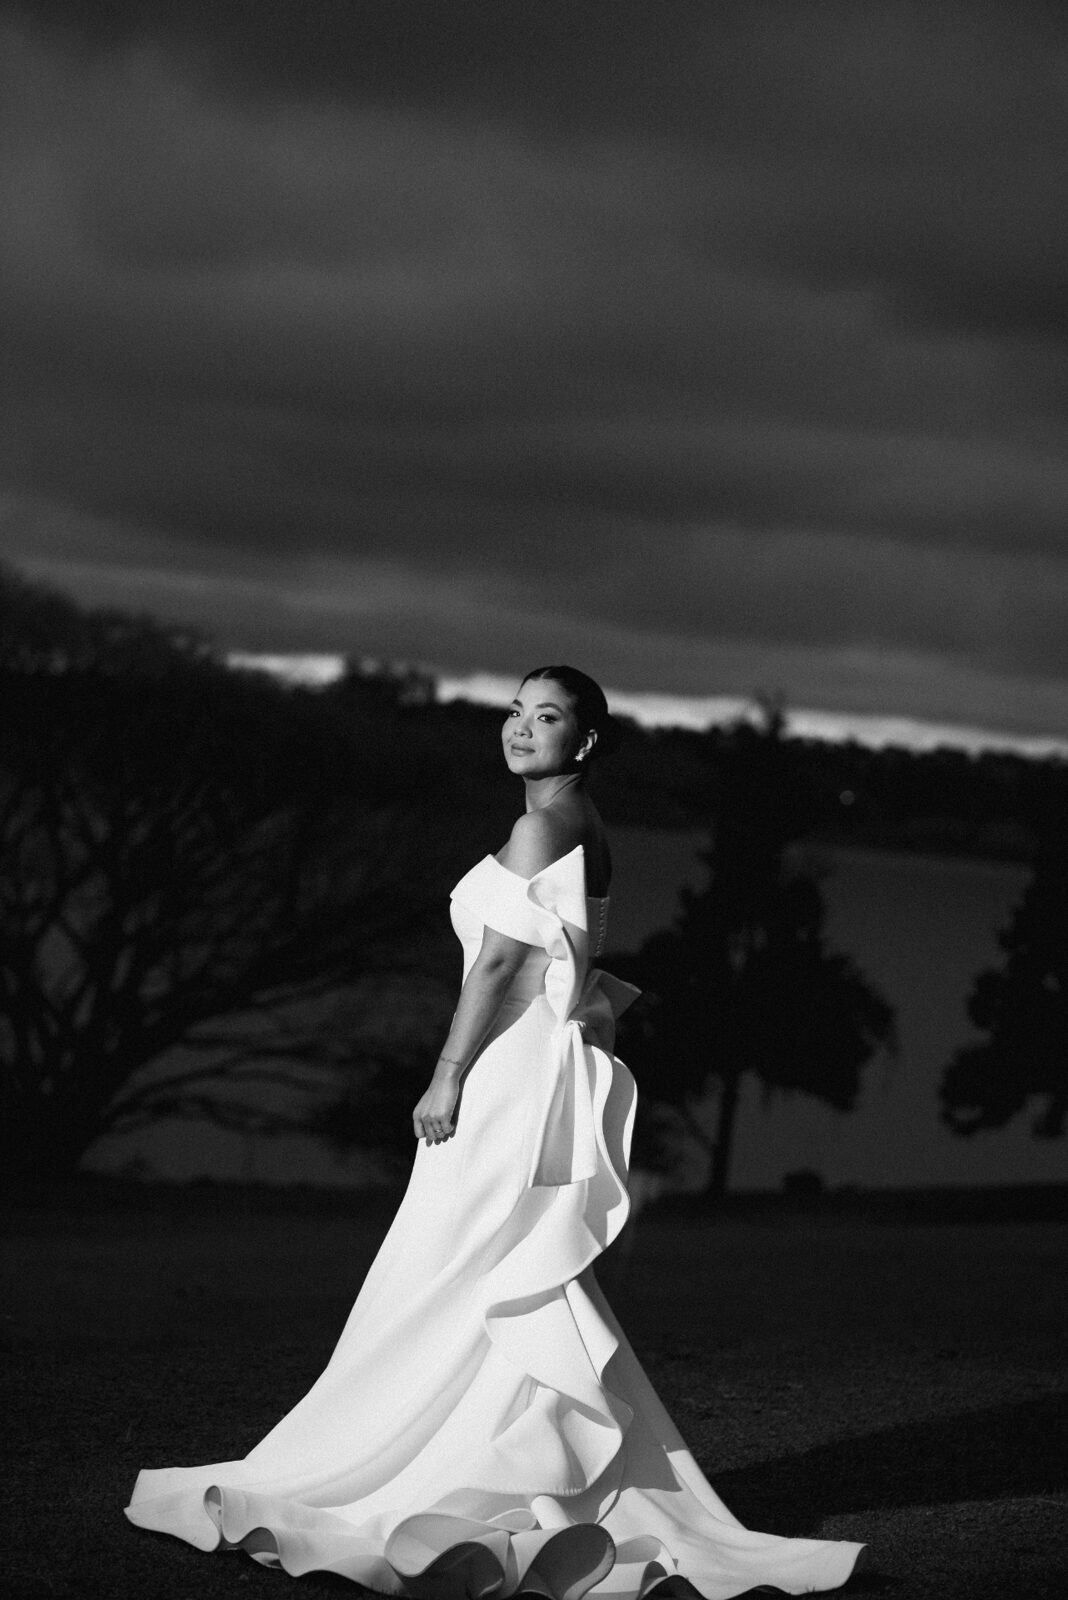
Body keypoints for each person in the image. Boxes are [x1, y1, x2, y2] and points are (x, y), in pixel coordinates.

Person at [125, 665, 866, 1598]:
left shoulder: (544, 827)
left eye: (544, 717)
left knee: (453, 1264)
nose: (519, 728)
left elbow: (499, 966)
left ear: (583, 741)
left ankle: (469, 1469)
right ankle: (512, 1461)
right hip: (529, 1068)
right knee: (484, 1269)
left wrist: (447, 1074)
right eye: (514, 710)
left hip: (505, 1074)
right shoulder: (582, 823)